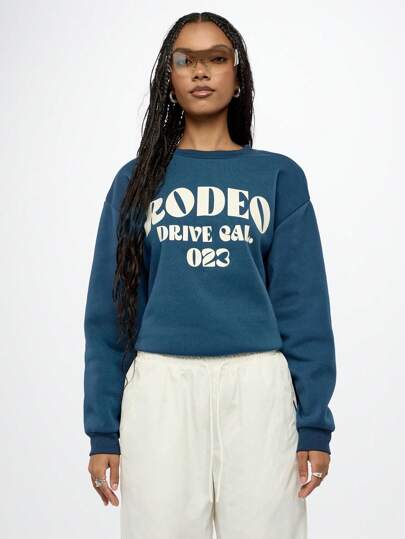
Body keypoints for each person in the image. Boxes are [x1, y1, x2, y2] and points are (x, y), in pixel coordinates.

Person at [83, 11, 336, 539]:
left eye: (216, 58)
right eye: (185, 60)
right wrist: (103, 432)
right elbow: (109, 315)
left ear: (237, 75)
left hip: (258, 388)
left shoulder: (278, 176)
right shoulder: (135, 181)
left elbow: (303, 304)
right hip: (161, 389)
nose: (201, 71)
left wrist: (314, 421)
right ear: (169, 77)